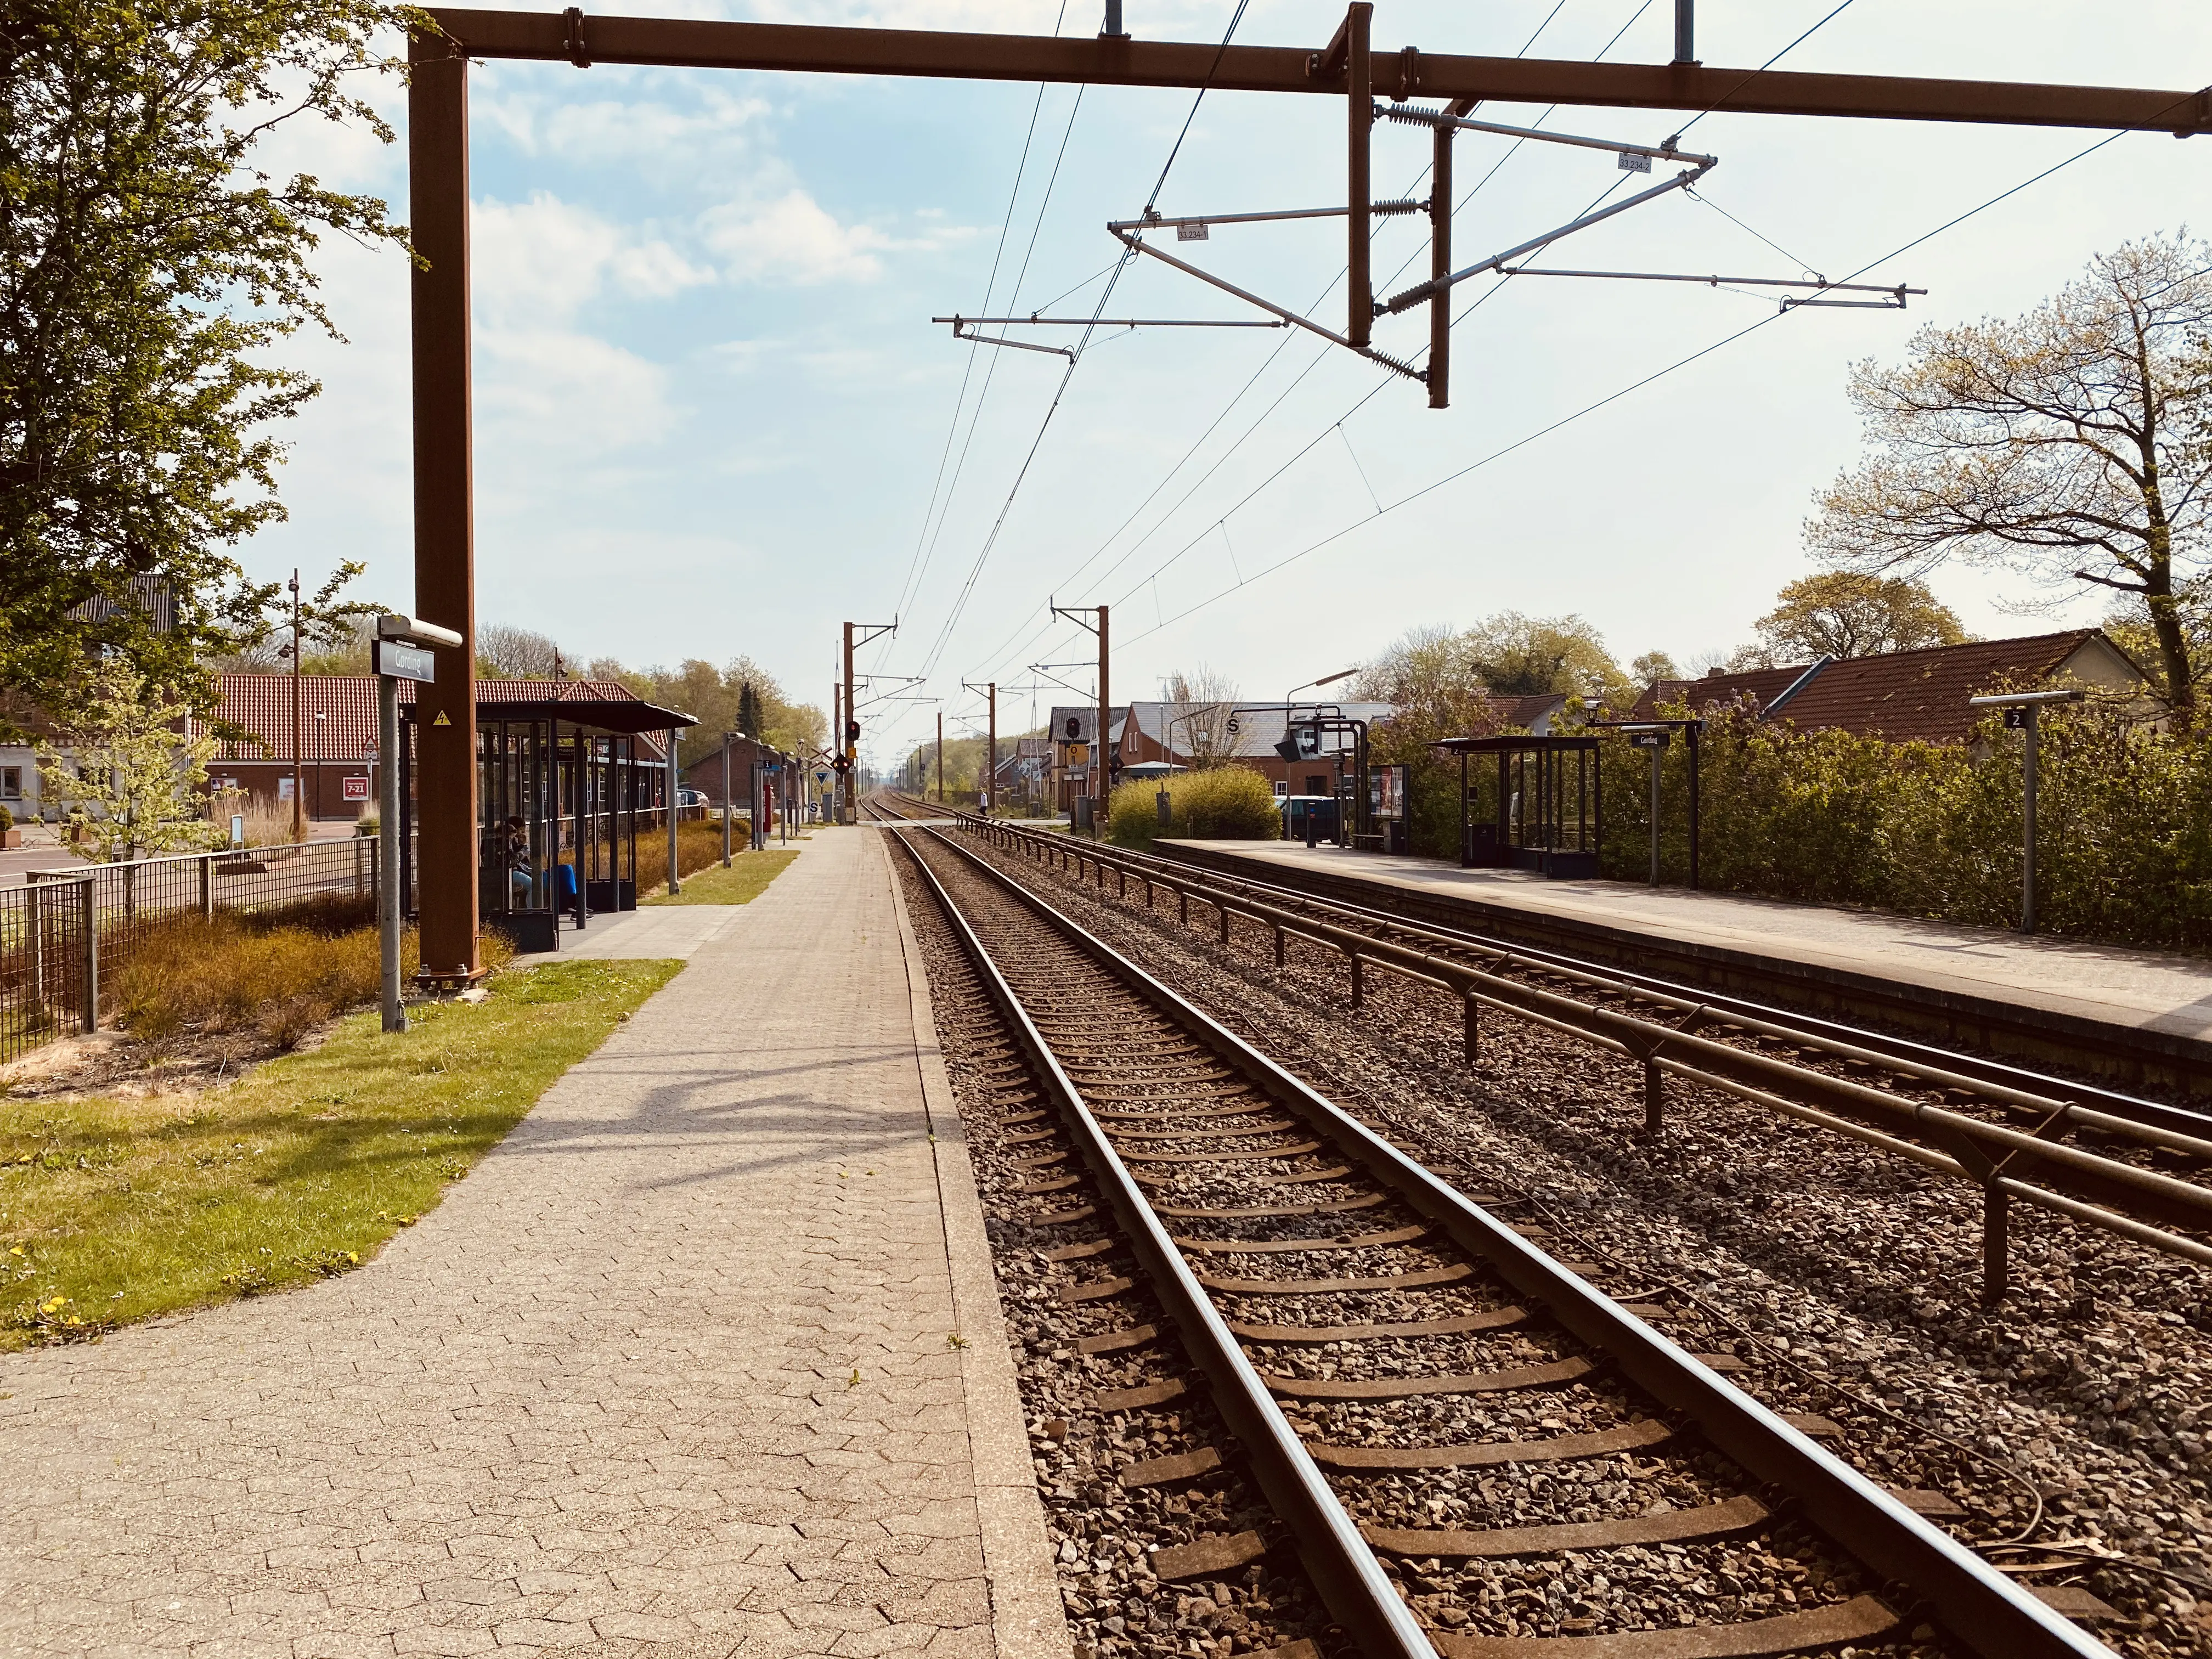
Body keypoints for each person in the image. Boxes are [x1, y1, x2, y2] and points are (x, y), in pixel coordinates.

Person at [502, 816, 534, 907]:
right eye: (521, 830)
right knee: (533, 885)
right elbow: (512, 860)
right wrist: (523, 850)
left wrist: (522, 845)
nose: (521, 833)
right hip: (509, 872)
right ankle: (530, 911)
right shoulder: (507, 841)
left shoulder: (512, 841)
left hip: (513, 871)